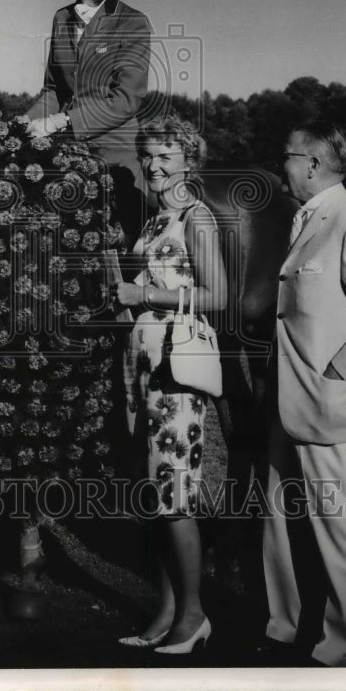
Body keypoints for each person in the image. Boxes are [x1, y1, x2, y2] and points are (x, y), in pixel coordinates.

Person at [261, 121, 346, 667]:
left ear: (311, 164)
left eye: (286, 157)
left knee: (340, 533)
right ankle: (285, 629)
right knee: (281, 521)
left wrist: (341, 375)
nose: (280, 166)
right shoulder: (308, 217)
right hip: (291, 407)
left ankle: (341, 650)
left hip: (336, 410)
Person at [112, 115, 227, 654]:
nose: (153, 166)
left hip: (178, 373)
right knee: (156, 495)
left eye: (166, 156)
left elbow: (217, 297)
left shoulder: (196, 218)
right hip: (145, 368)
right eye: (148, 156)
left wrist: (145, 297)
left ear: (188, 161)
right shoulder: (158, 219)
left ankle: (195, 614)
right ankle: (165, 611)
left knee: (175, 495)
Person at [25, 0, 152, 245]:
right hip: (67, 151)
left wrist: (62, 121)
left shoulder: (134, 22)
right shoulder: (61, 18)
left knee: (128, 241)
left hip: (117, 156)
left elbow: (127, 99)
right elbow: (53, 89)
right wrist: (24, 123)